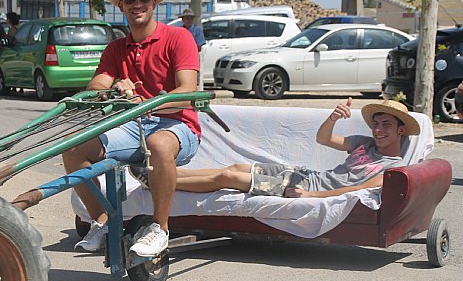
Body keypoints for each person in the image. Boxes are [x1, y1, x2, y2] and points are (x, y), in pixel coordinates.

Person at [60, 0, 200, 256]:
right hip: (130, 126)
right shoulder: (116, 48)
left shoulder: (179, 38)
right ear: (121, 5)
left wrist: (144, 102)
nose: (137, 3)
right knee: (72, 147)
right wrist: (113, 90)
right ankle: (102, 220)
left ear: (154, 2)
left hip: (177, 126)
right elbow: (97, 85)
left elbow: (186, 92)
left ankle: (159, 229)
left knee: (158, 144)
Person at [169, 98, 420, 198]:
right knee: (235, 166)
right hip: (305, 175)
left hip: (304, 188)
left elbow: (356, 190)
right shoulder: (365, 143)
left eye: (386, 125)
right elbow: (324, 139)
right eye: (376, 124)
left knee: (228, 177)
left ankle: (162, 181)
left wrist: (310, 196)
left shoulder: (394, 168)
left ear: (401, 130)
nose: (378, 130)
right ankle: (164, 174)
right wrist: (332, 118)